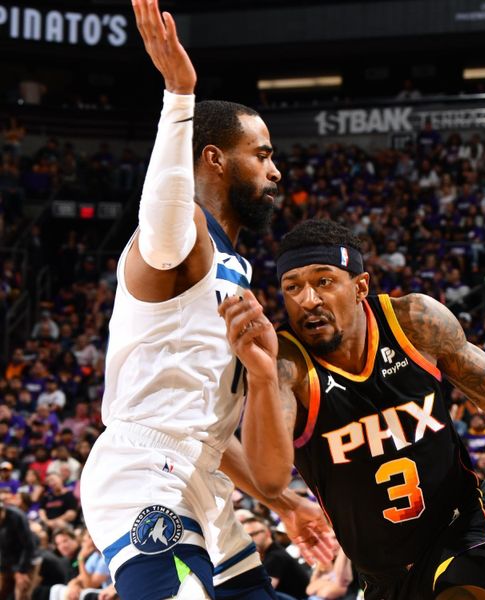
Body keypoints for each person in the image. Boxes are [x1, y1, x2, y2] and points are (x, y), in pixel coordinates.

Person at [219, 219, 485, 600]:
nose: (308, 300)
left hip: (464, 525)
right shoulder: (286, 364)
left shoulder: (414, 322)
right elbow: (270, 480)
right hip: (382, 573)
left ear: (360, 286)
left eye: (324, 282)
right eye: (292, 287)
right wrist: (260, 376)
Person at [79, 2, 331, 599]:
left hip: (202, 472)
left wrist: (282, 499)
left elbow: (204, 435)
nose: (276, 170)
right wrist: (178, 96)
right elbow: (164, 203)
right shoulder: (181, 233)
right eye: (262, 154)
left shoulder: (233, 268)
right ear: (215, 158)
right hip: (144, 473)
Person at [242, 517, 309, 600]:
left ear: (268, 533)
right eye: (247, 536)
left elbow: (265, 591)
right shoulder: (273, 551)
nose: (250, 539)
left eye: (253, 534)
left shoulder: (275, 556)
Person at [0, 500, 39, 600]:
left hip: (25, 558)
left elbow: (29, 546)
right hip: (5, 560)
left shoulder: (17, 517)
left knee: (22, 592)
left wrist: (21, 570)